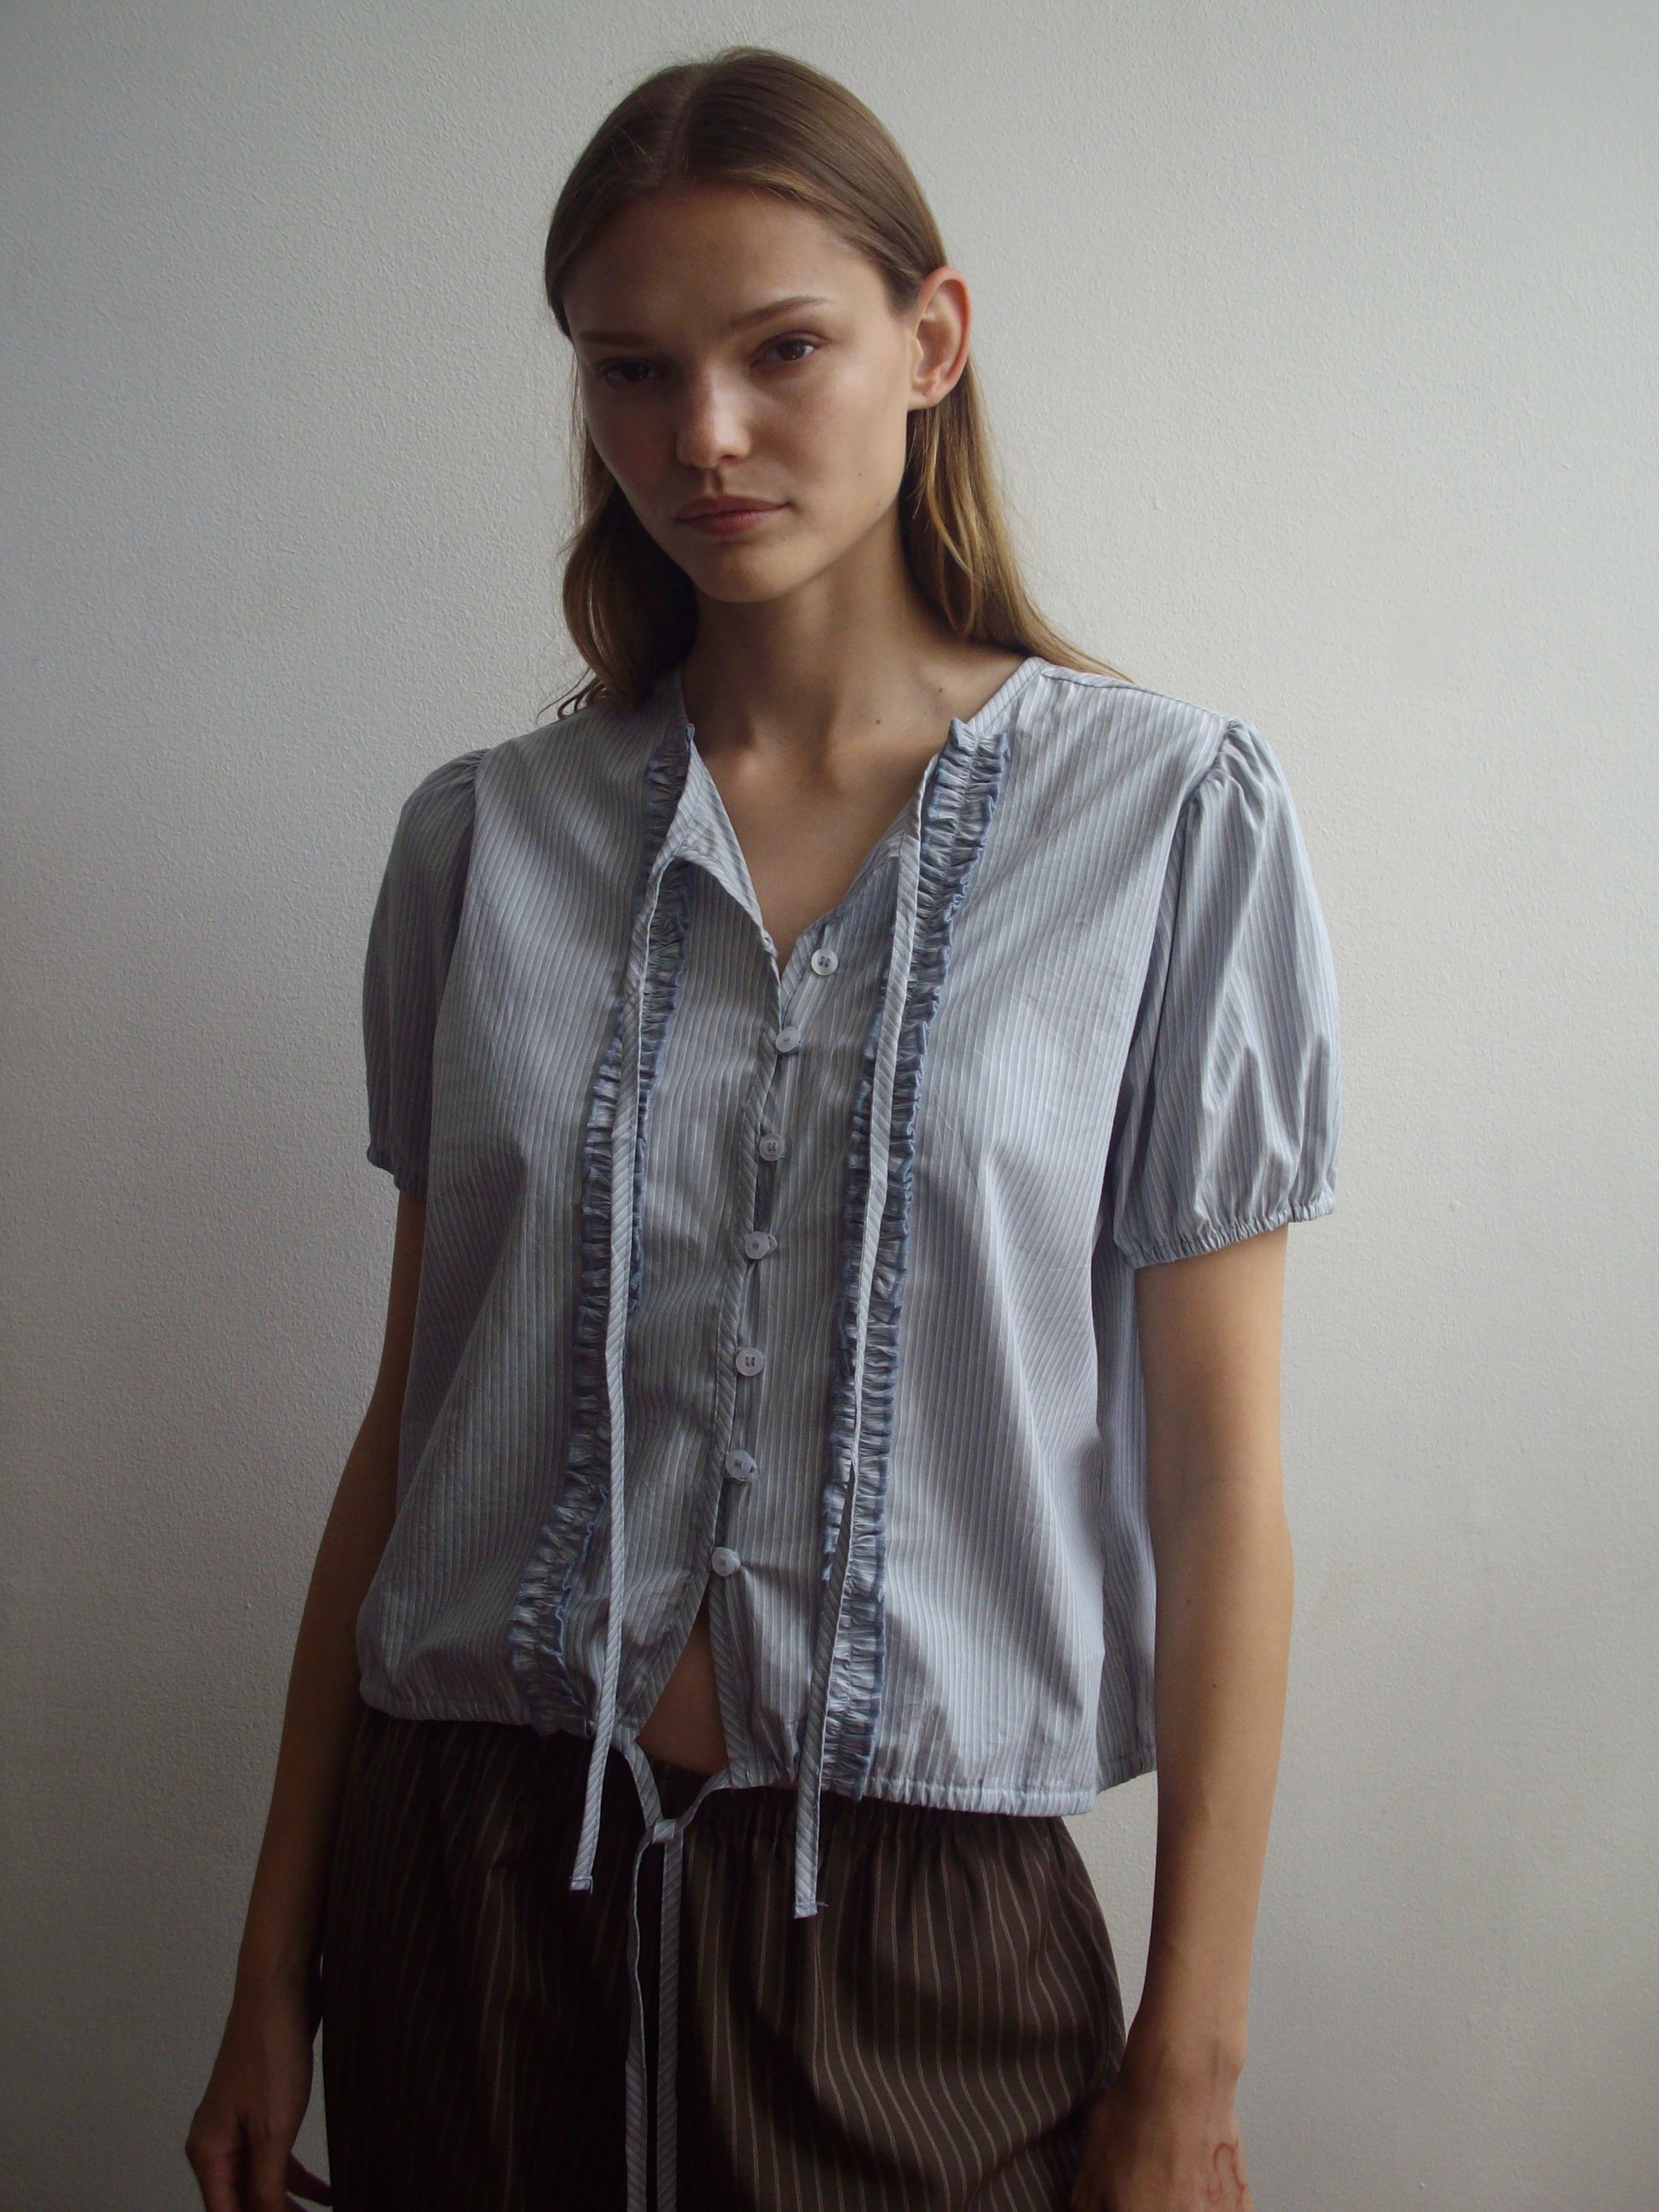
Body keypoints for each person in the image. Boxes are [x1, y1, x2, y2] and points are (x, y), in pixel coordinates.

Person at [186, 43, 1340, 2212]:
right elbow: (407, 1429)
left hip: (916, 1939)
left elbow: (1221, 1491)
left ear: (932, 339)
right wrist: (272, 1964)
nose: (697, 437)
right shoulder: (484, 844)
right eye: (630, 374)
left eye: (777, 348)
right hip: (467, 1896)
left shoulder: (1169, 825)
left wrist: (1188, 2057)